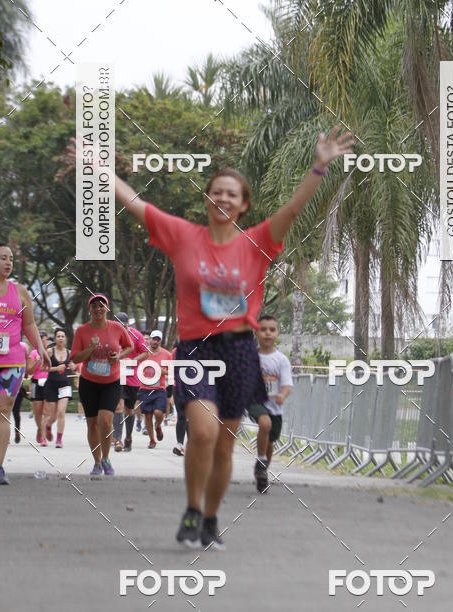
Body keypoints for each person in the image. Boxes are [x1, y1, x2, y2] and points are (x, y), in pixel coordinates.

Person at [102, 127, 353, 549]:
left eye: (232, 193)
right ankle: (192, 508)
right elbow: (135, 203)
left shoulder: (256, 243)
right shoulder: (183, 235)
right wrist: (99, 171)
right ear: (207, 198)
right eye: (216, 191)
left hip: (239, 351)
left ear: (244, 204)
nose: (223, 198)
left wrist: (319, 166)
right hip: (197, 350)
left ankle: (210, 517)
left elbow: (293, 209)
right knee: (202, 432)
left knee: (223, 447)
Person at [0, 242, 50, 484]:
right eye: (2, 258)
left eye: (10, 259)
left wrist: (40, 348)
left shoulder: (19, 291)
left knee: (2, 413)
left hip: (11, 363)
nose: (8, 263)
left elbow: (28, 324)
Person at [70, 293, 133, 478]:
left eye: (102, 305)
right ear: (89, 310)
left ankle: (106, 458)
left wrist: (118, 357)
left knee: (105, 421)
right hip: (89, 383)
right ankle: (97, 462)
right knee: (92, 425)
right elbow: (74, 357)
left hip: (111, 382)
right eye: (94, 306)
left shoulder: (117, 328)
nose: (98, 309)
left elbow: (128, 346)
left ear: (107, 309)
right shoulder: (82, 331)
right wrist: (90, 348)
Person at [247, 314, 292, 493]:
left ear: (277, 334)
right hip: (255, 401)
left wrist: (282, 394)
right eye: (263, 329)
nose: (267, 333)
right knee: (264, 423)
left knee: (270, 441)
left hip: (275, 405)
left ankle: (263, 473)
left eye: (271, 330)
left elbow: (287, 384)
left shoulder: (282, 360)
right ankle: (260, 460)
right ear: (256, 333)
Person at [112, 311, 149, 453]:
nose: (120, 327)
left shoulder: (136, 335)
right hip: (116, 375)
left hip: (132, 376)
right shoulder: (112, 335)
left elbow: (146, 353)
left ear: (127, 323)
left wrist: (132, 361)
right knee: (118, 406)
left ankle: (128, 437)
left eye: (123, 324)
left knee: (129, 409)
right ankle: (117, 440)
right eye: (118, 324)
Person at [138, 330, 172, 448]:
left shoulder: (167, 354)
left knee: (158, 412)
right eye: (153, 339)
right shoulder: (144, 353)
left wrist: (163, 371)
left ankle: (158, 426)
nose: (155, 341)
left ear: (160, 341)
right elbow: (135, 367)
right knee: (147, 416)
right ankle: (152, 440)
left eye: (158, 339)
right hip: (144, 388)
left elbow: (172, 372)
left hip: (159, 388)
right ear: (150, 339)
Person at [43, 328, 75, 447]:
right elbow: (43, 368)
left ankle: (59, 440)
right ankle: (48, 426)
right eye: (58, 336)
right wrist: (56, 368)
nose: (61, 338)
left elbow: (73, 366)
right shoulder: (50, 351)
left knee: (61, 412)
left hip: (64, 385)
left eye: (62, 336)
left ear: (65, 339)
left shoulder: (70, 352)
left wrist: (73, 366)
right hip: (51, 385)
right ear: (55, 339)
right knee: (53, 415)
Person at [12, 341, 38, 443]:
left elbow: (27, 374)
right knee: (11, 412)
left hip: (18, 388)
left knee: (15, 411)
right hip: (7, 389)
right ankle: (9, 433)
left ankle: (17, 432)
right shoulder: (7, 359)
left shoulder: (22, 361)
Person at [30, 332, 50, 445]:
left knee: (46, 412)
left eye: (45, 339)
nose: (43, 341)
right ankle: (40, 429)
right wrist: (37, 360)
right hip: (36, 383)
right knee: (37, 412)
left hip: (48, 383)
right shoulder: (33, 353)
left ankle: (43, 437)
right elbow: (29, 370)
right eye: (41, 338)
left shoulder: (50, 352)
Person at [136, 331, 151, 434]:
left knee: (148, 403)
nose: (145, 340)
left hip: (150, 381)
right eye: (144, 339)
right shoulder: (140, 352)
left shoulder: (154, 351)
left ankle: (146, 425)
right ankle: (139, 420)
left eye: (147, 339)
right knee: (137, 403)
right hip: (137, 380)